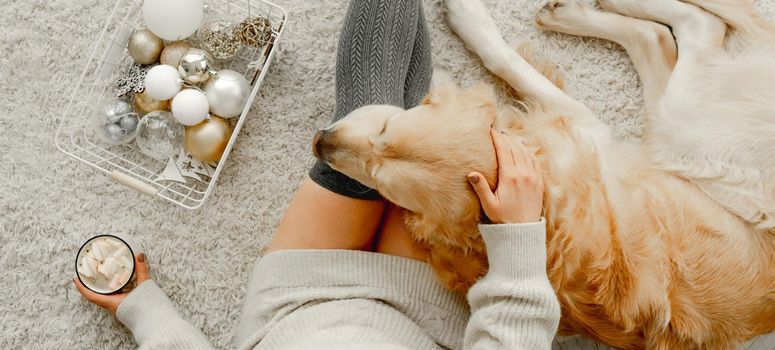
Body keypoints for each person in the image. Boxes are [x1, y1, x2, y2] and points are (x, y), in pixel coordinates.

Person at [74, 0, 561, 348]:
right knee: (406, 139)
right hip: (424, 317)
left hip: (299, 299)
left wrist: (144, 310)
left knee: (369, 118)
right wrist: (519, 240)